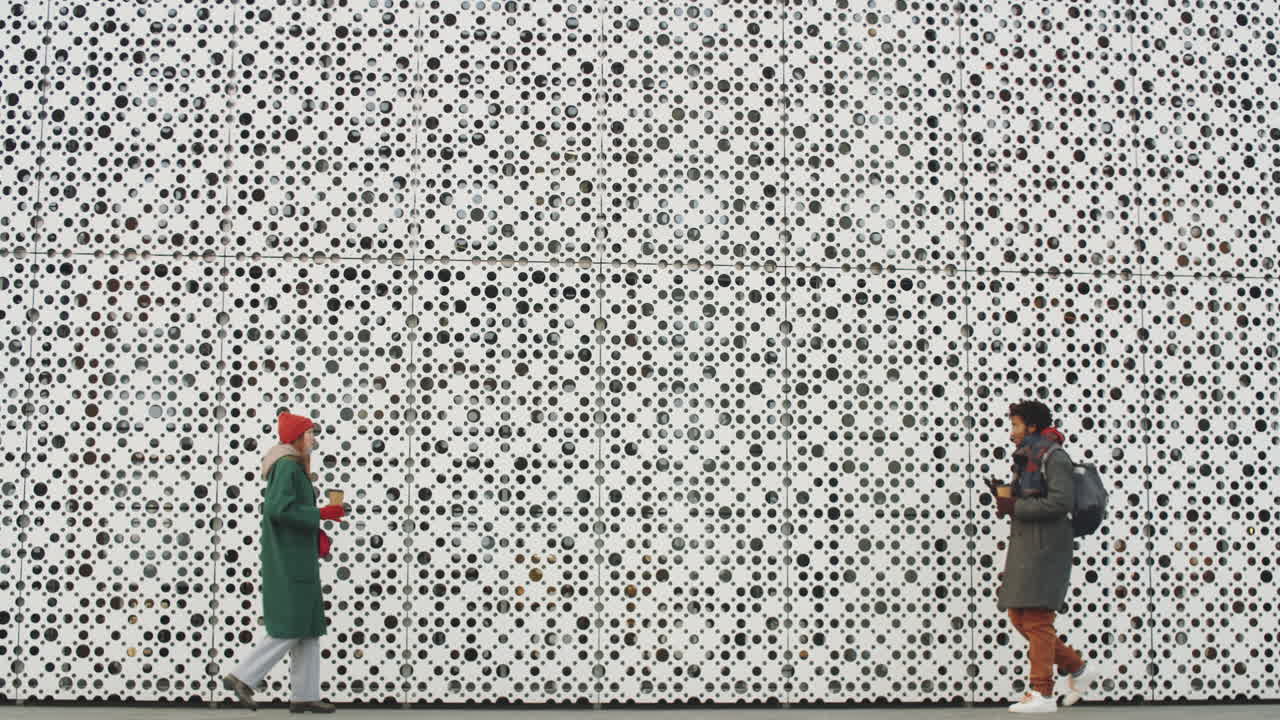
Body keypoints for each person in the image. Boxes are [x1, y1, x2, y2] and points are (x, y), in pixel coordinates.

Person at [222, 412, 348, 714]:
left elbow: (287, 511)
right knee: (291, 625)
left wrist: (316, 522)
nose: (314, 440)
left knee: (308, 627)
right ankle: (242, 676)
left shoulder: (290, 466)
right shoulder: (288, 467)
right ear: (296, 437)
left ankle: (304, 694)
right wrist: (321, 514)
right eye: (310, 434)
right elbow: (278, 511)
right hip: (290, 559)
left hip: (297, 556)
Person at [986, 400, 1100, 713]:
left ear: (1032, 427)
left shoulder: (1053, 456)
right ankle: (1078, 669)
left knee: (1037, 619)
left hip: (1047, 547)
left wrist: (1016, 507)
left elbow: (1060, 503)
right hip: (1028, 546)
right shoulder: (1028, 459)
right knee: (1019, 616)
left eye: (1016, 425)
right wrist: (1006, 497)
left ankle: (1042, 692)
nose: (1012, 433)